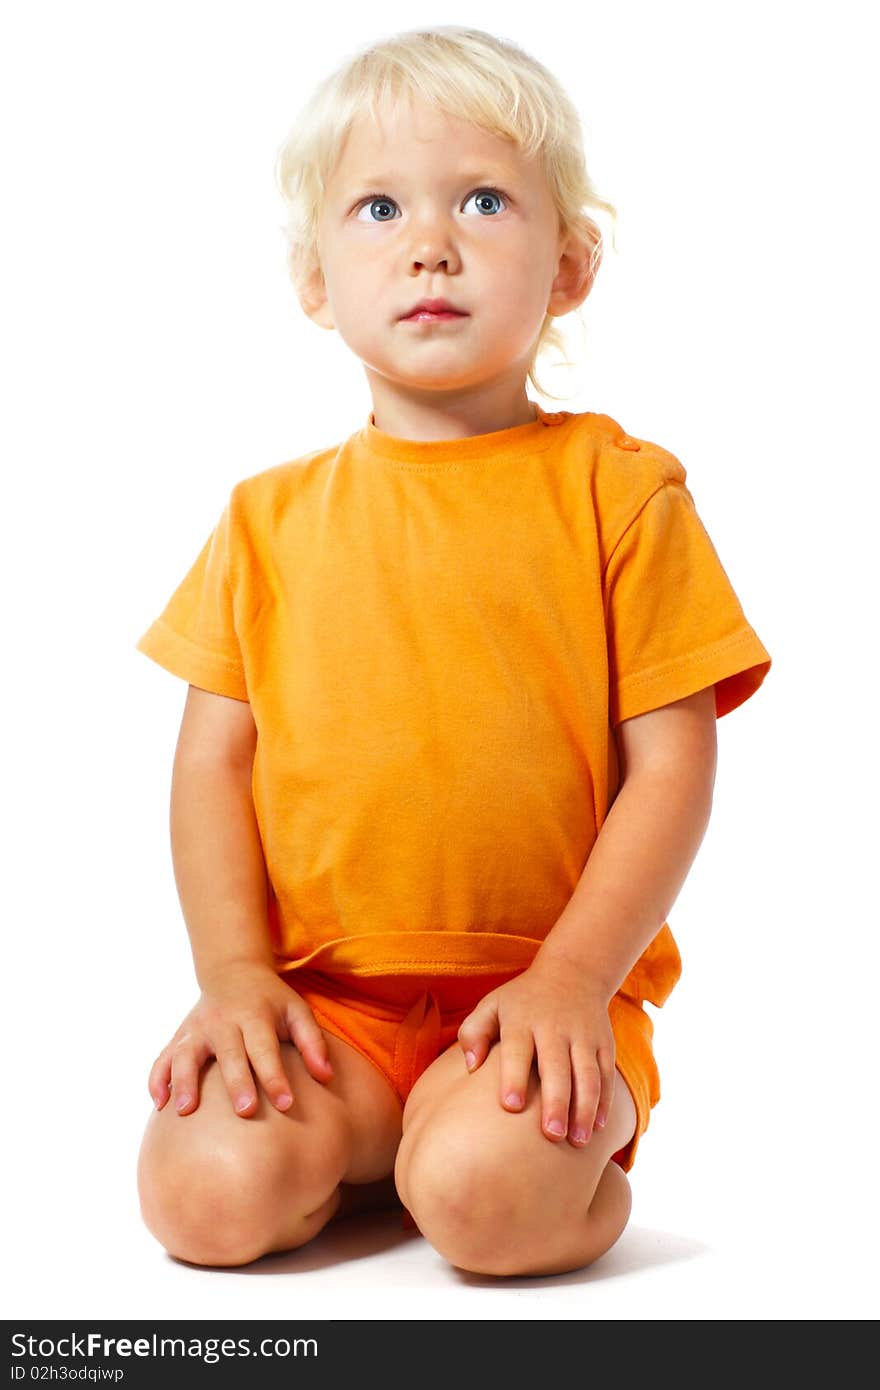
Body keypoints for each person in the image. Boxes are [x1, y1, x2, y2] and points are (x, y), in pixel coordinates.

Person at [133, 25, 771, 1278]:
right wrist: (234, 978)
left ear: (571, 263)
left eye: (484, 199)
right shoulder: (265, 519)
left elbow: (673, 768)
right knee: (199, 1202)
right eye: (378, 207)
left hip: (542, 1007)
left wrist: (576, 983)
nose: (431, 241)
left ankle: (480, 1155)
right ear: (315, 278)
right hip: (332, 1008)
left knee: (489, 1207)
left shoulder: (619, 492)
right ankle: (379, 1143)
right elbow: (210, 768)